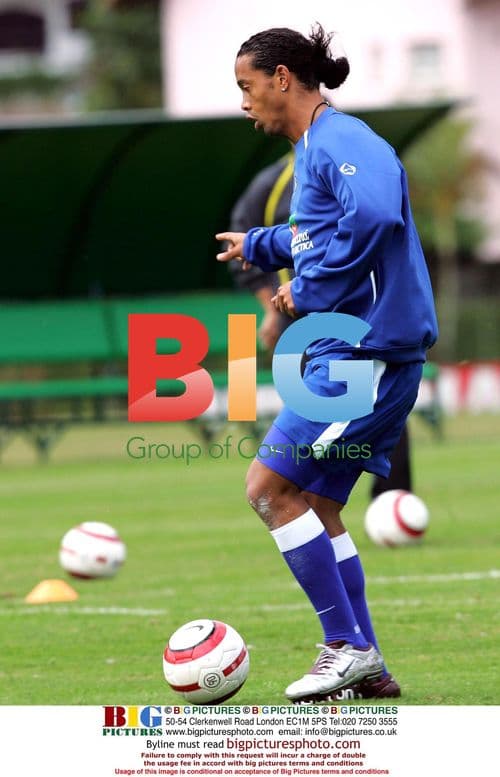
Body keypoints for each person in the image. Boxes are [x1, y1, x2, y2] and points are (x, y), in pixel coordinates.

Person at [216, 24, 438, 702]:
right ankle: (369, 666)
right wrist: (261, 244)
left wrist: (309, 288)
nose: (244, 102)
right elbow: (323, 230)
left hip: (366, 352)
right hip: (357, 351)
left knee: (268, 487)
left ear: (282, 78)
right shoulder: (315, 148)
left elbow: (374, 216)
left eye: (247, 86)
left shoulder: (342, 139)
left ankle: (345, 646)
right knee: (315, 503)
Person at [227, 154, 413, 500]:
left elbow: (370, 228)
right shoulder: (272, 182)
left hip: (358, 322)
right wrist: (269, 308)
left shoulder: (354, 167)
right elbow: (244, 246)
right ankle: (305, 500)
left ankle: (393, 498)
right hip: (300, 326)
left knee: (379, 406)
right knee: (313, 432)